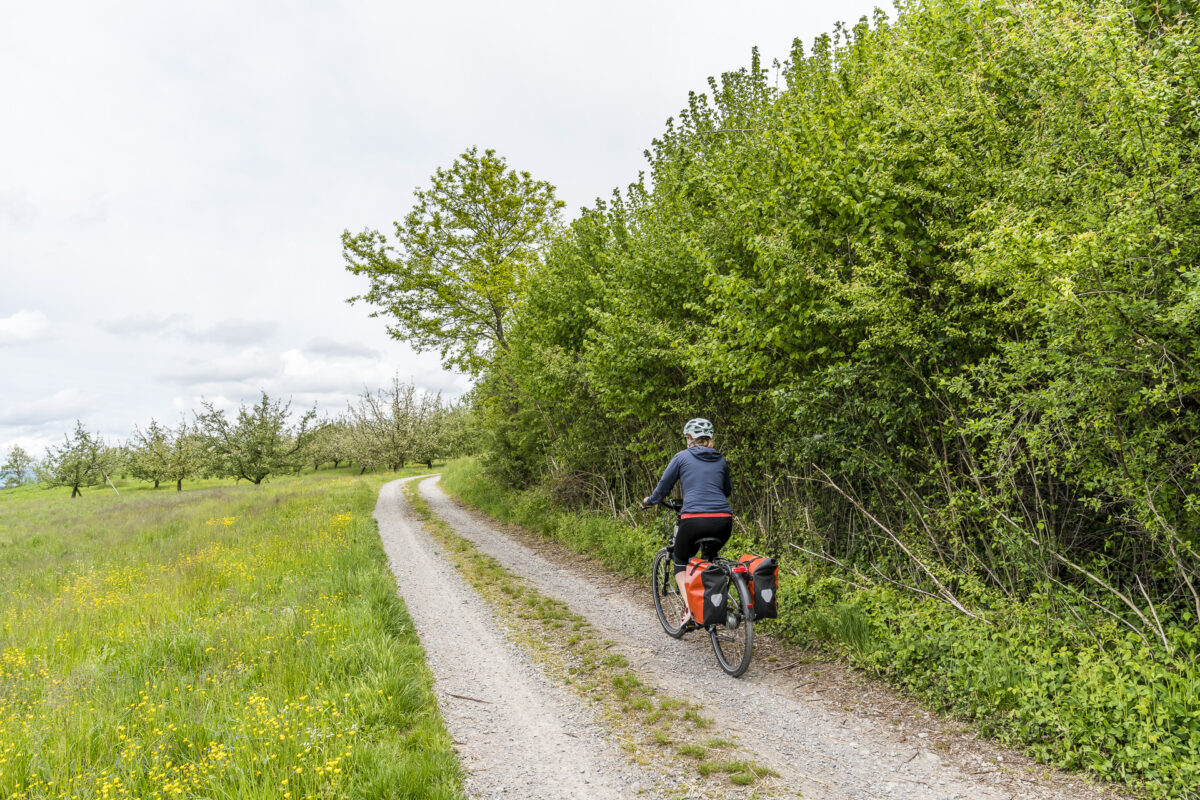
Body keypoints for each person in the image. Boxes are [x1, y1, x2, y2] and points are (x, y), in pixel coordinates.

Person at [643, 417, 733, 625]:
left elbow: (664, 486)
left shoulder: (681, 457)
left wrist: (651, 501)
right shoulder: (720, 459)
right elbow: (726, 491)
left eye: (686, 436)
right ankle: (714, 605)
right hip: (723, 520)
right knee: (709, 561)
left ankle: (691, 610)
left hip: (694, 519)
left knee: (681, 562)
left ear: (690, 437)